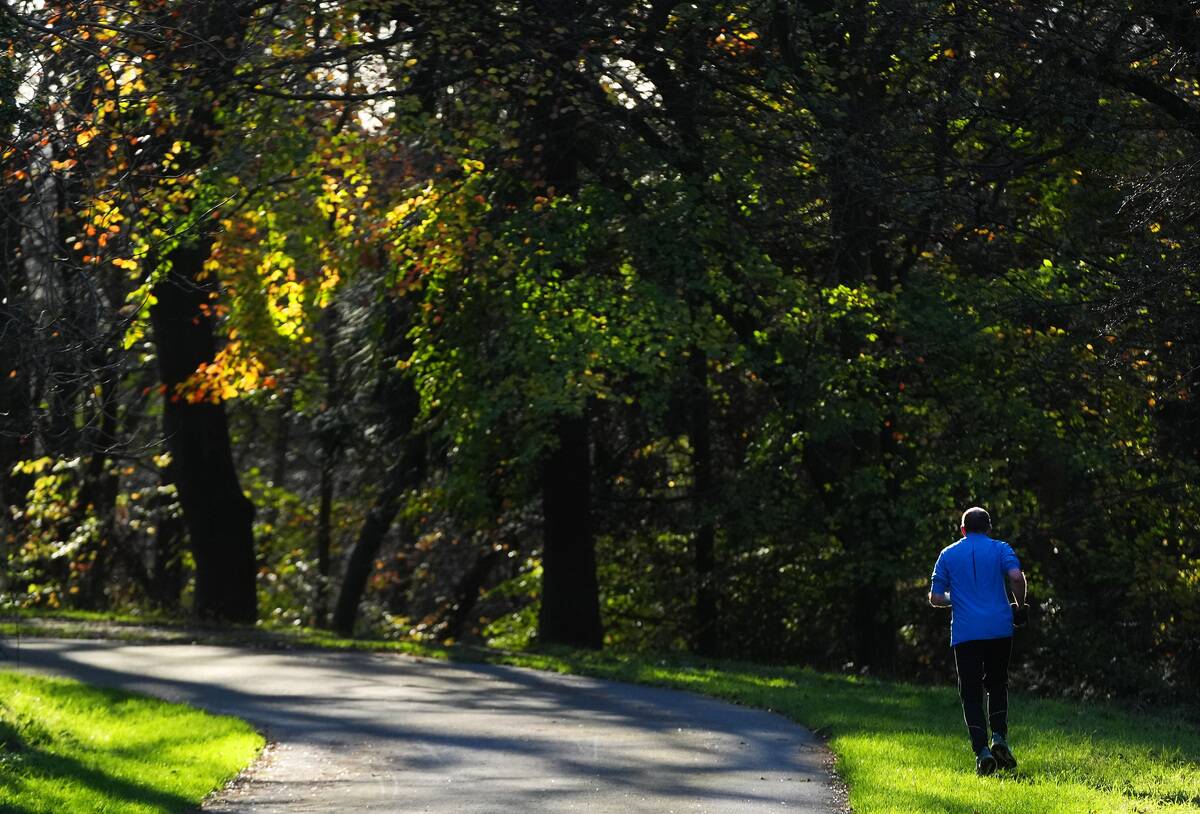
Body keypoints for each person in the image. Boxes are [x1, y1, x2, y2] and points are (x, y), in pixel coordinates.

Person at [928, 506, 1028, 776]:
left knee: (970, 692)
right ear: (989, 528)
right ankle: (999, 738)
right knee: (997, 683)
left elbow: (936, 598)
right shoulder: (1000, 548)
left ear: (962, 530)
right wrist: (1019, 606)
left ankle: (982, 752)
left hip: (966, 633)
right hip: (999, 628)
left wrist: (955, 599)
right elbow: (1016, 577)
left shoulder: (947, 554)